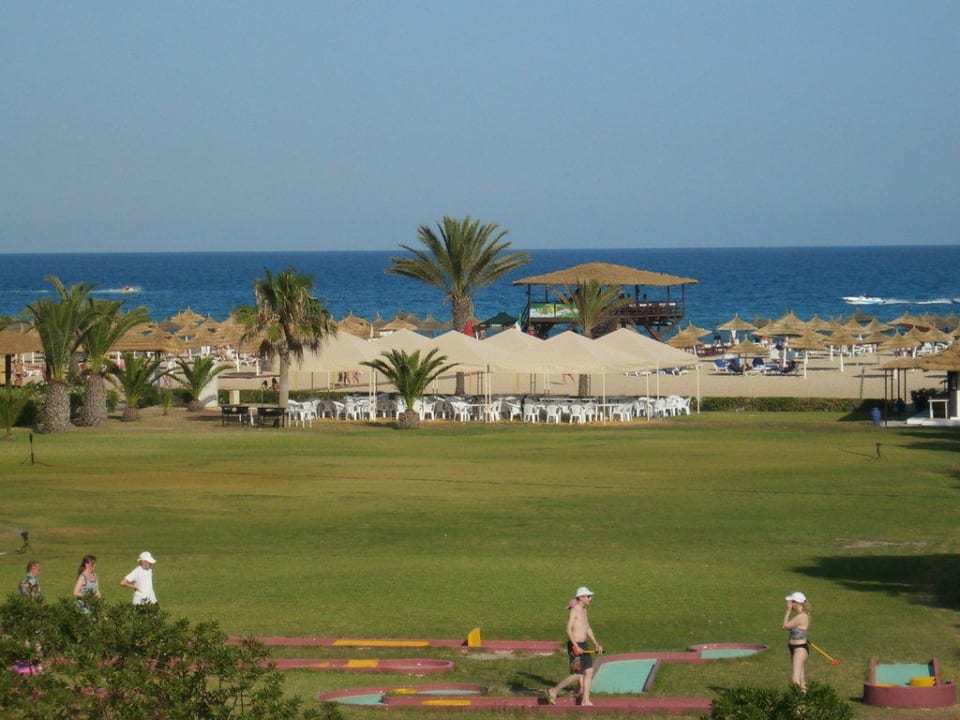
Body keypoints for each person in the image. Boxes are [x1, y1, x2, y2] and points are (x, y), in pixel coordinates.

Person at [546, 586, 603, 706]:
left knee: (589, 671)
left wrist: (596, 643)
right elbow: (568, 630)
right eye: (588, 596)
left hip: (584, 645)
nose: (590, 598)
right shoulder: (574, 610)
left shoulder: (584, 611)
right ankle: (554, 691)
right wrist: (576, 646)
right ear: (581, 597)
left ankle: (585, 700)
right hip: (574, 646)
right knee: (577, 674)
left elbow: (587, 628)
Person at [782, 591, 811, 689]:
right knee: (801, 679)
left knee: (795, 679)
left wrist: (788, 610)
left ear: (796, 603)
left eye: (791, 602)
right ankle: (803, 703)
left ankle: (797, 702)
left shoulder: (802, 616)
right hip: (794, 648)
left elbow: (785, 626)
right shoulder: (800, 615)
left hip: (799, 649)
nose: (789, 604)